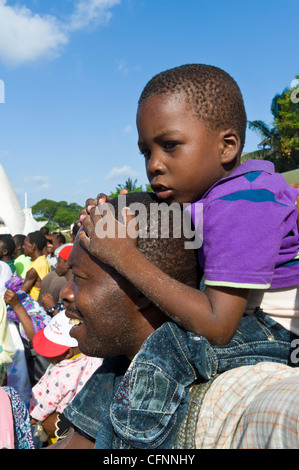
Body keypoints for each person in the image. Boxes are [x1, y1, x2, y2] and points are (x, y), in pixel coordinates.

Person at [80, 64, 299, 366]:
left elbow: (217, 326)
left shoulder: (242, 202)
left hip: (282, 335)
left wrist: (123, 256)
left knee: (166, 348)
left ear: (227, 147)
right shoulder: (211, 196)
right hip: (253, 323)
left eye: (170, 146)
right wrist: (105, 217)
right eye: (146, 152)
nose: (154, 164)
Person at [49, 193, 299, 449]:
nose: (64, 293)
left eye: (78, 278)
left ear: (139, 287)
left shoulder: (234, 401)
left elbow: (281, 410)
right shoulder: (120, 366)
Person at [29, 310, 102, 445]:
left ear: (68, 353)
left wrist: (32, 419)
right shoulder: (97, 359)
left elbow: (39, 406)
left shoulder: (57, 374)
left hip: (58, 434)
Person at [40, 244, 73, 317]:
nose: (56, 264)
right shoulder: (69, 285)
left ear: (67, 263)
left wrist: (51, 308)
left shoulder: (74, 290)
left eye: (58, 261)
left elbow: (68, 323)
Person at [22, 231, 51, 301]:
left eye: (25, 244)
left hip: (35, 306)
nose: (23, 247)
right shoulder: (43, 261)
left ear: (33, 246)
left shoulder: (35, 268)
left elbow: (22, 292)